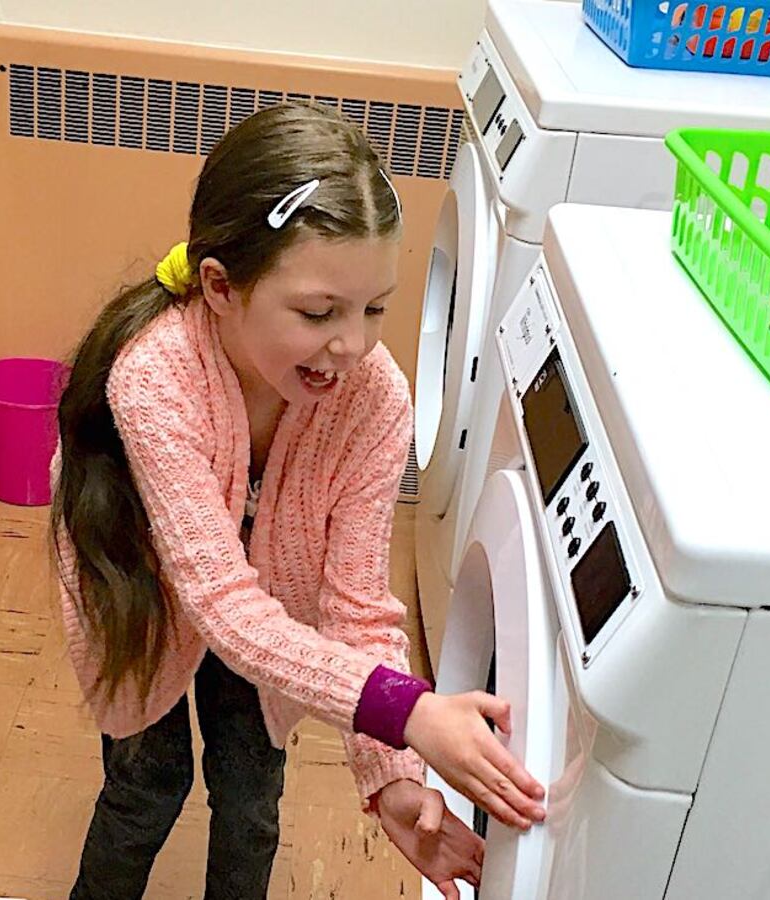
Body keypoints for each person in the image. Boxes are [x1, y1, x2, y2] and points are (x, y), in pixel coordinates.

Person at [50, 101, 545, 900]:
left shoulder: (373, 399)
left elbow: (355, 610)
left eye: (375, 308)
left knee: (252, 805)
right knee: (148, 788)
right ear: (219, 287)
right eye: (319, 313)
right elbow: (220, 606)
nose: (352, 345)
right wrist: (408, 708)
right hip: (142, 584)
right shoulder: (153, 378)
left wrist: (391, 773)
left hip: (268, 615)